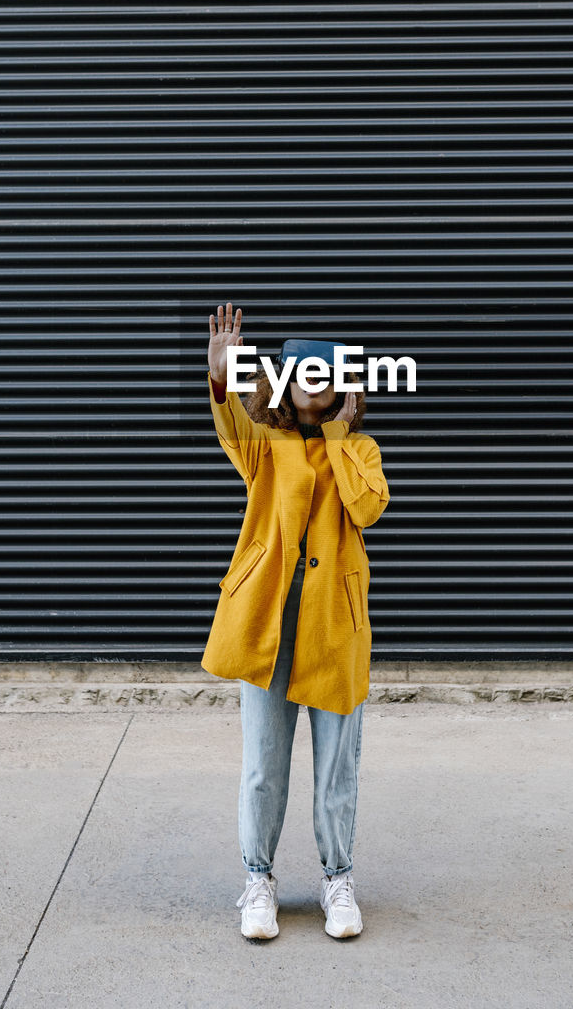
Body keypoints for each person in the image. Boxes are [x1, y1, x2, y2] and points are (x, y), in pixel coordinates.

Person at [203, 302, 390, 940]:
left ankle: (338, 881)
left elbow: (367, 509)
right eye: (303, 370)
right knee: (263, 763)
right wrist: (224, 379)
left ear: (344, 387)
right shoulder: (265, 445)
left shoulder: (360, 448)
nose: (314, 381)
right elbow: (232, 430)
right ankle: (259, 880)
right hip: (267, 624)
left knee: (338, 763)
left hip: (335, 625)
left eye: (327, 373)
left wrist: (338, 438)